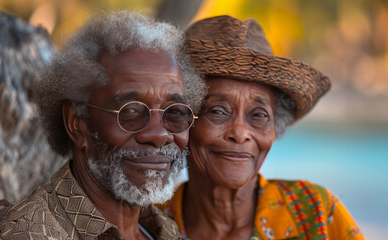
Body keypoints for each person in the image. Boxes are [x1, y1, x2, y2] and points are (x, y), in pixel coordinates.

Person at [0, 11, 206, 239]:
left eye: (175, 111)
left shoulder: (166, 231)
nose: (159, 134)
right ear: (77, 123)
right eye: (131, 111)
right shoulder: (26, 233)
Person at [150, 15, 365, 240]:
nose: (240, 133)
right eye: (218, 111)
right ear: (180, 122)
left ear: (274, 126)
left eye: (259, 115)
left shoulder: (316, 214)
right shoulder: (148, 223)